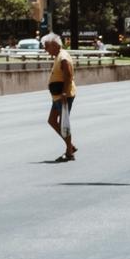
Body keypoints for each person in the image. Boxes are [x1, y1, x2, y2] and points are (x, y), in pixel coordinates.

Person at [42, 32, 77, 162]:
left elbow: (68, 75)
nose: (45, 49)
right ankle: (70, 146)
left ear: (55, 45)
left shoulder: (63, 57)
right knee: (52, 120)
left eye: (47, 46)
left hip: (64, 95)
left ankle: (69, 152)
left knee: (63, 123)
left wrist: (63, 93)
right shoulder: (58, 56)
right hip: (58, 96)